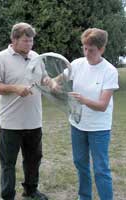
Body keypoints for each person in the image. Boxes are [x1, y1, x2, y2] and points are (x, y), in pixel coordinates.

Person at [49, 28, 119, 200]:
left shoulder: (109, 71)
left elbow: (102, 105)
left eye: (92, 50)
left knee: (101, 169)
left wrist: (84, 100)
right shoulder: (77, 64)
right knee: (80, 164)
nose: (87, 53)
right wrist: (53, 84)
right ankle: (84, 197)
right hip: (77, 124)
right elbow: (55, 80)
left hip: (98, 128)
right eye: (84, 48)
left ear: (102, 49)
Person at [0, 22, 48, 200]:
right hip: (10, 123)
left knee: (33, 160)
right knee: (8, 163)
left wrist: (51, 82)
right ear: (13, 39)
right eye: (25, 41)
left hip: (34, 120)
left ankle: (31, 190)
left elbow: (44, 79)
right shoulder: (1, 58)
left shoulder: (36, 56)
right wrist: (15, 88)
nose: (30, 45)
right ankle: (7, 195)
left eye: (31, 41)